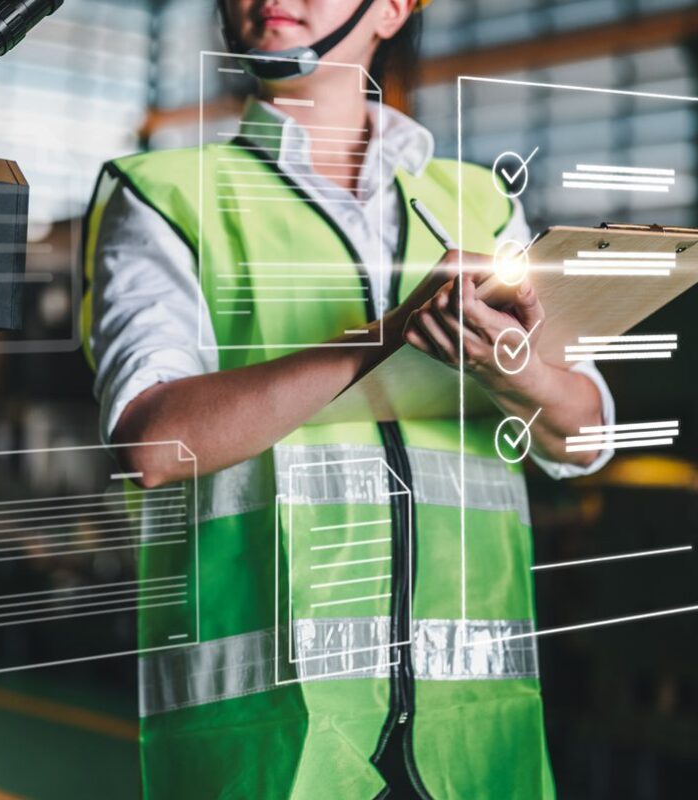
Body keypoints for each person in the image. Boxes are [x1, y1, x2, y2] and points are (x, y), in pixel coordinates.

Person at [81, 1, 615, 797]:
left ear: (394, 8)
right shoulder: (163, 195)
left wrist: (516, 373)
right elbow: (154, 443)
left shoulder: (482, 206)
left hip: (475, 736)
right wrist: (387, 336)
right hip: (273, 738)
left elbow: (588, 432)